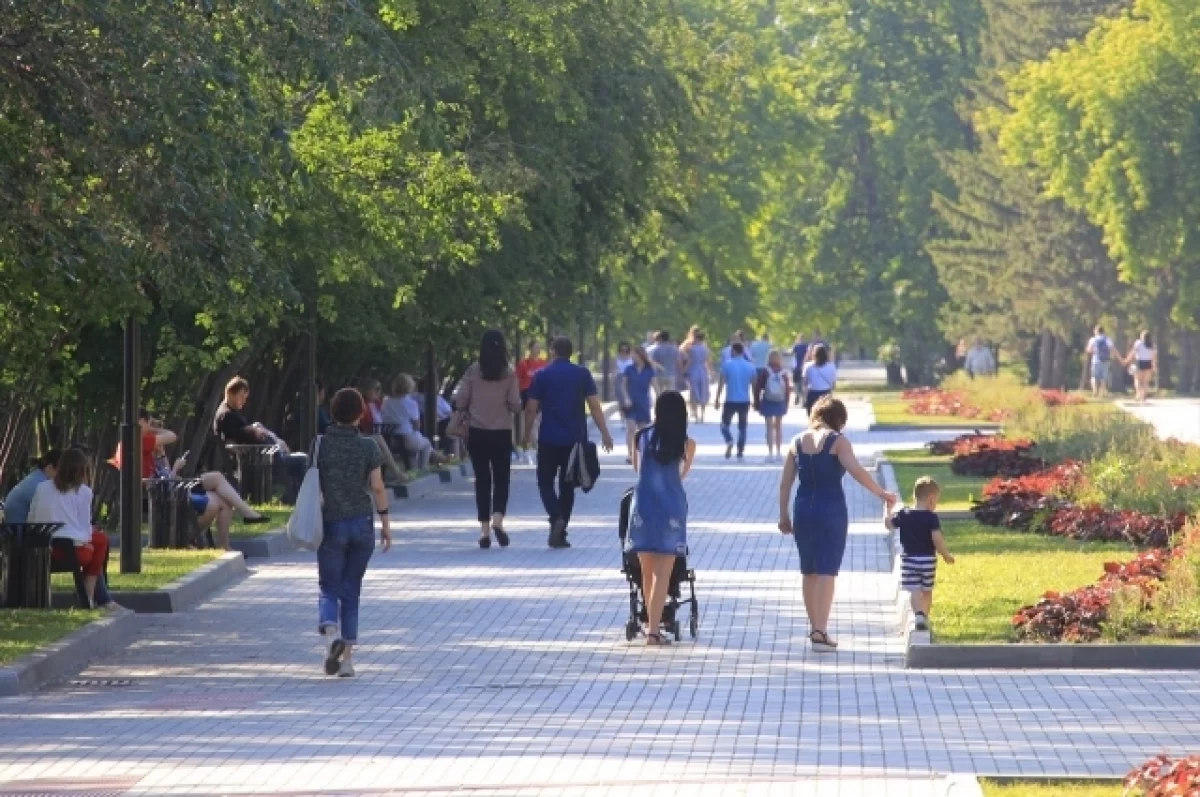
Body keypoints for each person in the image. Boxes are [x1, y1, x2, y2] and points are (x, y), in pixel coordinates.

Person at [778, 396, 896, 651]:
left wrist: (783, 515)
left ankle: (814, 629)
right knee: (827, 570)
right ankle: (821, 630)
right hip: (830, 509)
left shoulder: (796, 442)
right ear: (839, 419)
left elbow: (785, 482)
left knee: (808, 571)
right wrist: (881, 493)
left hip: (803, 510)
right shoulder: (838, 442)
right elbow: (856, 471)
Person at [314, 388, 392, 678]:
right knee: (351, 591)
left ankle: (330, 632)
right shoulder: (369, 446)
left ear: (333, 413)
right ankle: (346, 661)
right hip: (361, 525)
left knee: (328, 585)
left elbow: (313, 483)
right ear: (361, 413)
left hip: (332, 522)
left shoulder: (321, 445)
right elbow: (378, 487)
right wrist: (385, 523)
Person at [523, 337, 615, 548]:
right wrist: (605, 434)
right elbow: (594, 406)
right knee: (567, 486)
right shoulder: (582, 374)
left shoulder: (542, 375)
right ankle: (561, 533)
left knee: (545, 482)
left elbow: (531, 408)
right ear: (571, 353)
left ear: (553, 351)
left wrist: (526, 435)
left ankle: (556, 518)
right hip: (574, 441)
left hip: (548, 438)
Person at [627, 391, 697, 647]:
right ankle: (654, 631)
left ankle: (651, 626)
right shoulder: (686, 443)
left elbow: (637, 469)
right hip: (671, 507)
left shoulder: (641, 436)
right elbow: (682, 474)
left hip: (643, 504)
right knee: (663, 572)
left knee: (645, 570)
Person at [456, 330, 522, 549]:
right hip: (501, 432)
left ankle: (484, 531)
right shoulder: (509, 373)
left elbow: (461, 399)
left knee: (482, 480)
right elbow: (515, 403)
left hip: (477, 432)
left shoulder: (473, 372)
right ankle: (498, 521)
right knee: (502, 478)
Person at [28, 449, 110, 607]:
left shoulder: (42, 488)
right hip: (74, 552)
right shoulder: (84, 492)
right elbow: (85, 527)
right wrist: (87, 541)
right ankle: (89, 593)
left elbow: (32, 518)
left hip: (44, 548)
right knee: (100, 541)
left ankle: (90, 594)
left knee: (97, 541)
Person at [151, 447, 270, 550]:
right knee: (217, 484)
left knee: (224, 497)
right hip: (170, 493)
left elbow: (169, 477)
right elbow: (165, 483)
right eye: (159, 444)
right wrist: (176, 468)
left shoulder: (160, 456)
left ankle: (226, 546)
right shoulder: (148, 458)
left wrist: (164, 457)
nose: (161, 446)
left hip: (178, 486)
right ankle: (189, 538)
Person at [214, 377, 308, 503]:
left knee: (301, 458)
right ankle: (300, 500)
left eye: (245, 397)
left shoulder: (228, 412)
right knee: (303, 460)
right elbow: (236, 437)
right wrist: (254, 431)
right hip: (263, 459)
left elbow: (241, 432)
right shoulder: (227, 415)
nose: (244, 401)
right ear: (230, 393)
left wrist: (255, 429)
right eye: (241, 396)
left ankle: (294, 498)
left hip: (262, 457)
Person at [885, 476, 954, 632]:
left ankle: (918, 615)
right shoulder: (931, 518)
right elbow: (937, 538)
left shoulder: (904, 514)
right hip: (928, 560)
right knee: (927, 590)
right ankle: (925, 617)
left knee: (915, 590)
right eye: (936, 501)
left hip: (909, 560)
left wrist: (888, 509)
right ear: (930, 499)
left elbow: (888, 525)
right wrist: (945, 554)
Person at [714, 341, 757, 461]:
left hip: (730, 400)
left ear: (733, 351)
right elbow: (754, 386)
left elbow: (721, 383)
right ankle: (740, 451)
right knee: (742, 427)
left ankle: (729, 440)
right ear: (743, 352)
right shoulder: (750, 366)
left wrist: (717, 398)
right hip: (744, 400)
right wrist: (755, 400)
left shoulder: (727, 365)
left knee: (724, 425)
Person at [3, 449, 62, 526]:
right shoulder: (40, 486)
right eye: (62, 471)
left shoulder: (36, 477)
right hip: (21, 533)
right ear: (50, 468)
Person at [618, 346, 656, 465]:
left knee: (643, 430)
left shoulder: (649, 370)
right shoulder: (629, 369)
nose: (632, 357)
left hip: (643, 402)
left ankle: (643, 453)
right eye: (632, 355)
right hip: (631, 403)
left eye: (635, 354)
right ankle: (630, 455)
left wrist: (660, 402)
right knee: (631, 429)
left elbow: (656, 387)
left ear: (641, 356)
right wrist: (626, 398)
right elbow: (623, 385)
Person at [755, 349, 791, 461]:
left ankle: (770, 453)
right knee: (779, 428)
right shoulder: (783, 372)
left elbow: (758, 387)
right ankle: (779, 453)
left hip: (768, 401)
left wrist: (757, 402)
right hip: (780, 401)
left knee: (769, 428)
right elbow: (787, 390)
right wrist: (786, 404)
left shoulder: (765, 371)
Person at [516, 341, 549, 461]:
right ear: (530, 349)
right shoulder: (523, 364)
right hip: (526, 393)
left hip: (540, 395)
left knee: (538, 421)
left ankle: (535, 444)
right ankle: (528, 445)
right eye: (536, 347)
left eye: (540, 348)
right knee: (527, 420)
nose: (538, 350)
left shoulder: (543, 364)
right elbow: (517, 381)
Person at [680, 328, 712, 424]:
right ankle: (702, 415)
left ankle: (696, 414)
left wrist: (683, 369)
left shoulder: (690, 347)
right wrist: (710, 371)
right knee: (703, 391)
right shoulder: (705, 348)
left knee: (694, 391)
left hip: (693, 369)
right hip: (702, 370)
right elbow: (707, 360)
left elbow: (684, 356)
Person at [801, 344, 837, 415]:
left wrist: (805, 397)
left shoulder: (808, 366)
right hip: (826, 394)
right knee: (826, 417)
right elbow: (833, 384)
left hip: (812, 393)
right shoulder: (831, 367)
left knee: (812, 417)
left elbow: (805, 383)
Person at [1122, 330, 1157, 404]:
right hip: (1148, 363)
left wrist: (1126, 360)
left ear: (1142, 336)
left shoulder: (1138, 343)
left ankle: (1138, 394)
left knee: (1138, 380)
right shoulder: (1152, 345)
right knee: (1145, 382)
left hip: (1139, 363)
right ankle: (1143, 396)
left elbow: (1133, 352)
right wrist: (1154, 366)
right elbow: (1154, 357)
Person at [1085, 325, 1116, 398]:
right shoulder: (1107, 339)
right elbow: (1112, 349)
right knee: (1104, 378)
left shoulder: (1093, 339)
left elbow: (1088, 350)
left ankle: (1095, 391)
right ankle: (1101, 393)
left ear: (1096, 331)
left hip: (1096, 360)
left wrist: (1094, 351)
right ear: (1103, 331)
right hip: (1106, 361)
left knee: (1094, 377)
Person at [647, 330, 679, 396]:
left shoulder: (655, 349)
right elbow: (677, 360)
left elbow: (652, 362)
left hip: (659, 375)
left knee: (660, 396)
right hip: (671, 374)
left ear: (660, 338)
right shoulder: (674, 349)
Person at [791, 334, 809, 406]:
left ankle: (797, 396)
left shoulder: (796, 346)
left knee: (796, 383)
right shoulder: (806, 347)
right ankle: (802, 399)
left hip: (797, 367)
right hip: (803, 367)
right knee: (802, 384)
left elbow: (792, 353)